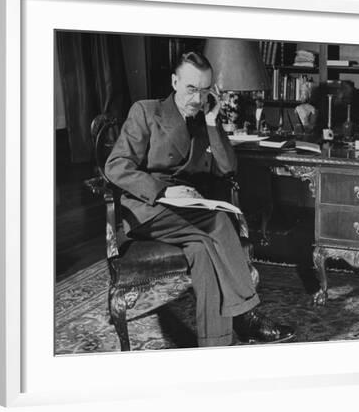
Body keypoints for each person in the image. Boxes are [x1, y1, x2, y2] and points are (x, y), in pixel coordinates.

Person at [105, 51, 295, 347]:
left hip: (190, 212)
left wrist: (210, 122)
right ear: (174, 81)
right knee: (218, 221)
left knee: (203, 251)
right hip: (150, 209)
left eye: (204, 90)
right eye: (191, 88)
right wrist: (163, 191)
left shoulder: (204, 118)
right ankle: (248, 315)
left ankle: (214, 345)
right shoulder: (146, 111)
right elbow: (116, 166)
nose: (197, 97)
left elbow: (227, 167)